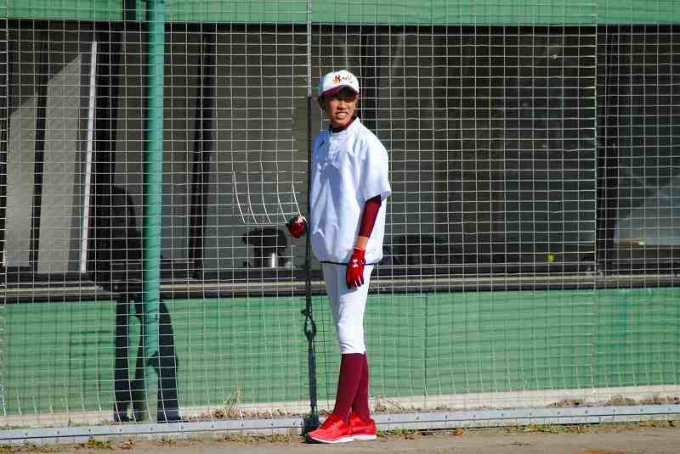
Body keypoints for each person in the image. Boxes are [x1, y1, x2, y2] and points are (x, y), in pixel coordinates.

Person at [287, 69, 391, 444]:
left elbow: (374, 199)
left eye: (348, 96)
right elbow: (329, 195)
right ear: (323, 103)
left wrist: (360, 252)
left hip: (353, 254)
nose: (342, 104)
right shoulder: (320, 141)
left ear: (357, 100)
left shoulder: (368, 144)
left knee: (348, 334)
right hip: (329, 250)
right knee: (351, 333)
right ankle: (362, 419)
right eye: (334, 97)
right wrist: (306, 222)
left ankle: (340, 419)